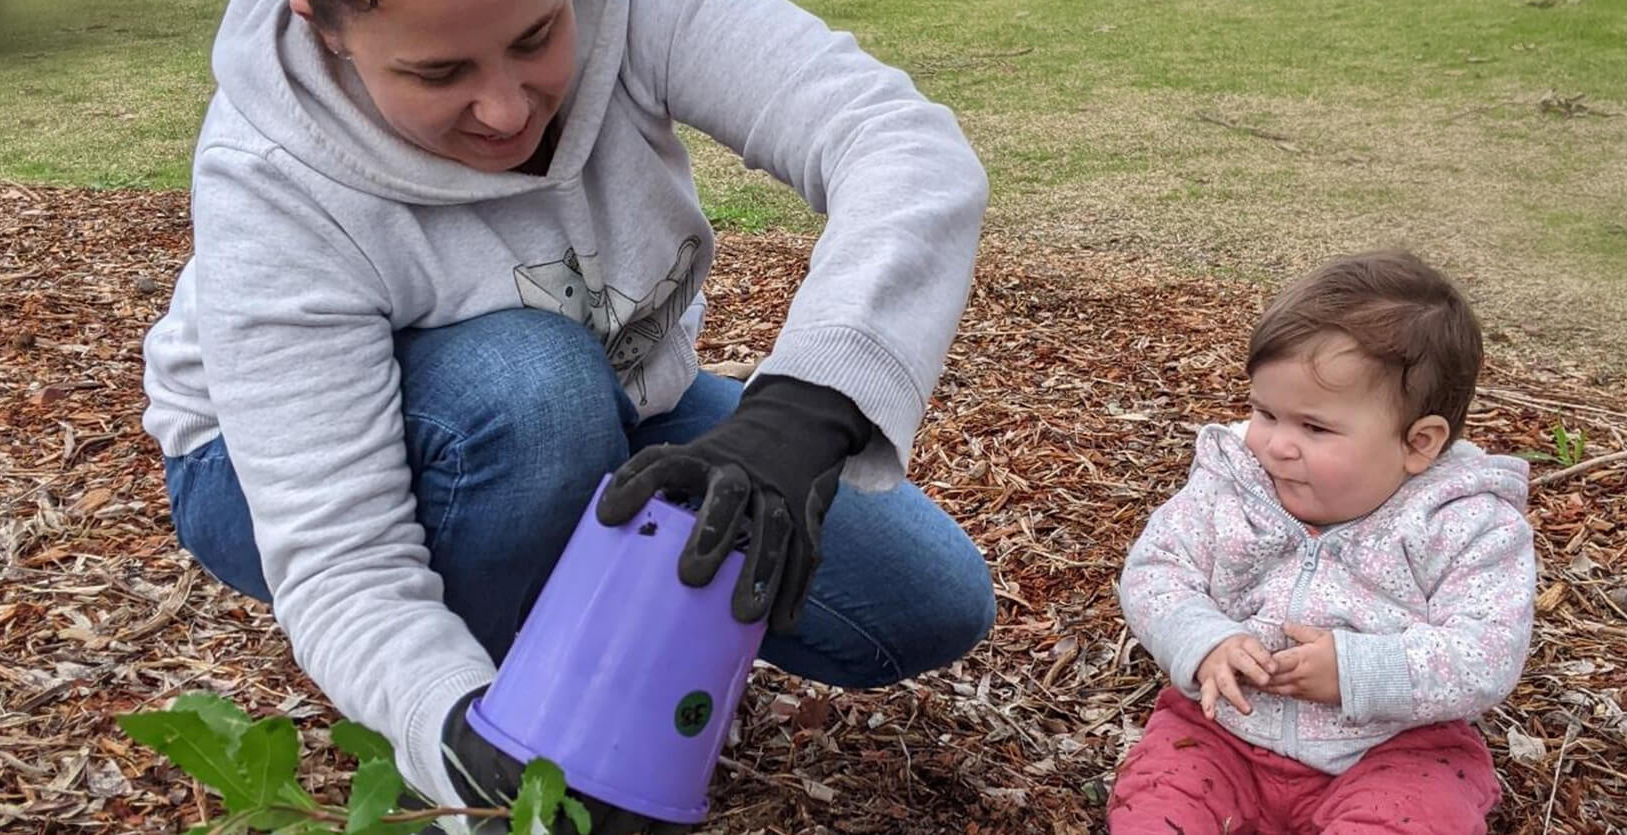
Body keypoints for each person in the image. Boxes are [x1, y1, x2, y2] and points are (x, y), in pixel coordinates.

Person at [138, 0, 996, 829]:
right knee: (536, 391)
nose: (507, 108)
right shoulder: (271, 178)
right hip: (261, 466)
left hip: (606, 394)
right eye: (438, 71)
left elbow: (901, 143)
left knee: (926, 598)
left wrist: (804, 417)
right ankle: (492, 744)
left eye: (537, 34)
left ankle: (566, 616)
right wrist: (454, 732)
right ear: (316, 19)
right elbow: (343, 564)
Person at [1108, 251, 1536, 834]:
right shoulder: (1233, 483)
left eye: (1314, 428)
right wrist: (1204, 642)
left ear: (1419, 443)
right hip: (1223, 732)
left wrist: (1361, 672)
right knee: (1158, 805)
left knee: (1415, 817)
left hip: (1396, 750)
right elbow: (1156, 570)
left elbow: (1486, 651)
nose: (1277, 445)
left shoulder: (1463, 524)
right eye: (1264, 412)